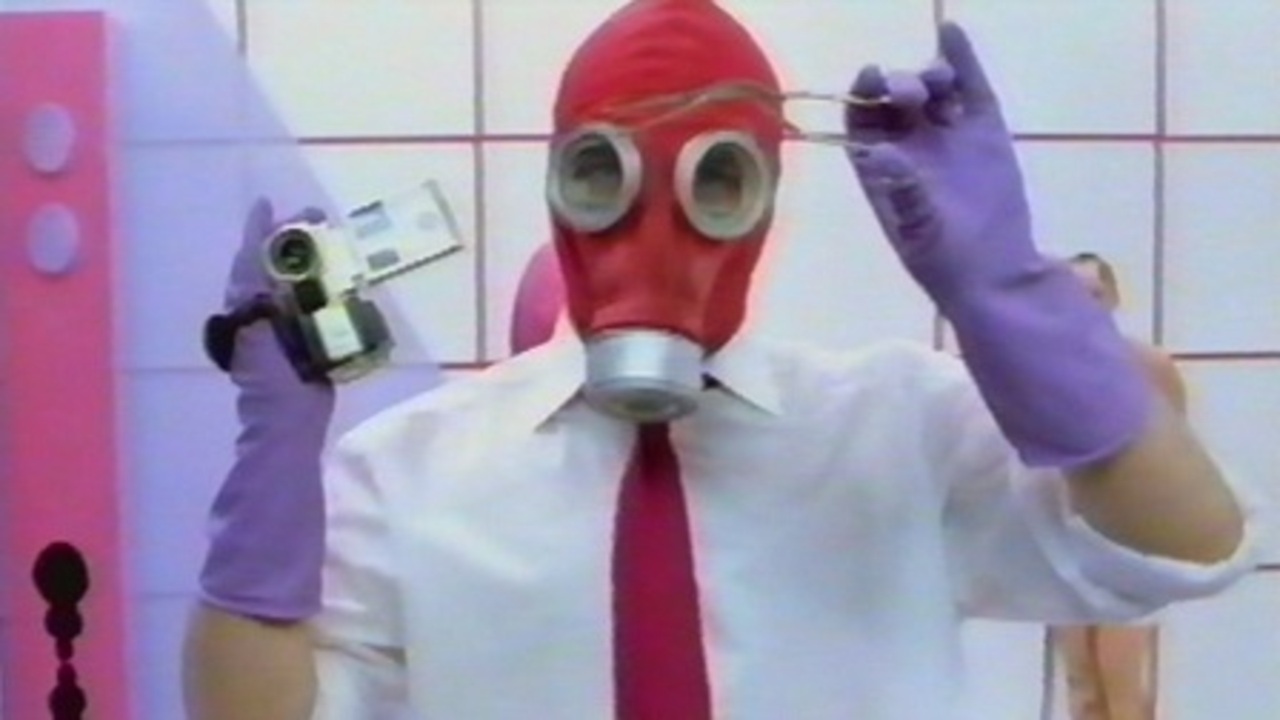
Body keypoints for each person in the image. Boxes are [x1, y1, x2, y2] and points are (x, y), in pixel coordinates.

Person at [182, 2, 1256, 718]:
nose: (655, 230)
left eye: (715, 184)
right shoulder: (406, 471)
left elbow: (1188, 548)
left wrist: (1013, 304)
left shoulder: (900, 425)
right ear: (559, 184)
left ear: (767, 199)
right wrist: (272, 467)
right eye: (603, 176)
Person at [1049, 252, 1187, 720]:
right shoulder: (1049, 370)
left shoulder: (1148, 365)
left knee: (1122, 684)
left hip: (1131, 540)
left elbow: (1180, 452)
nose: (1085, 304)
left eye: (1094, 293)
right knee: (1083, 684)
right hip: (1071, 535)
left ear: (1111, 297)